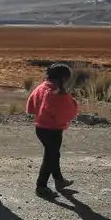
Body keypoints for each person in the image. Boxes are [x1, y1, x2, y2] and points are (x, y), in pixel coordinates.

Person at [26, 63, 79, 197]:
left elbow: (31, 105)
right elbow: (66, 111)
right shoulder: (57, 93)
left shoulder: (41, 87)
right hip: (53, 130)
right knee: (50, 157)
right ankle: (41, 186)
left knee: (53, 154)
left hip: (40, 128)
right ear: (63, 78)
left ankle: (59, 180)